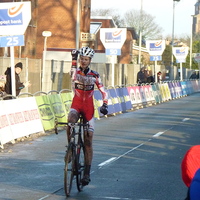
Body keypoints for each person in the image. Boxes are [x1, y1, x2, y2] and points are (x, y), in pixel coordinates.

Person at [67, 47, 108, 186]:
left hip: (89, 109)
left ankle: (86, 174)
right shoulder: (76, 72)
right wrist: (73, 59)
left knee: (88, 141)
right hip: (76, 105)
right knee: (70, 121)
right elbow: (72, 74)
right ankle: (70, 148)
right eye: (81, 59)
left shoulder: (95, 75)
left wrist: (105, 104)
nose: (83, 61)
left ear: (90, 60)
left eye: (85, 59)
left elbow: (104, 91)